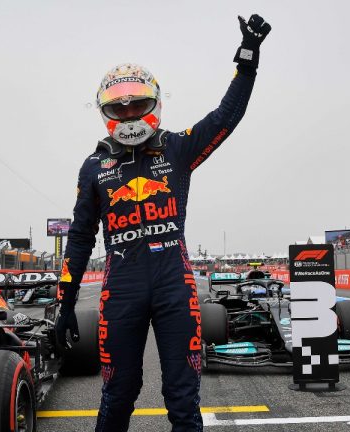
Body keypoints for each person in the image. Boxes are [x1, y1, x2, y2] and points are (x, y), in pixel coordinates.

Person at [55, 14, 271, 432]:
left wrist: (248, 58)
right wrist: (64, 303)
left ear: (154, 103)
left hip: (176, 286)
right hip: (121, 291)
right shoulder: (93, 166)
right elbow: (80, 240)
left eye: (137, 104)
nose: (130, 113)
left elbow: (226, 117)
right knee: (117, 395)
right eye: (120, 107)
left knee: (183, 401)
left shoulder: (176, 148)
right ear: (106, 112)